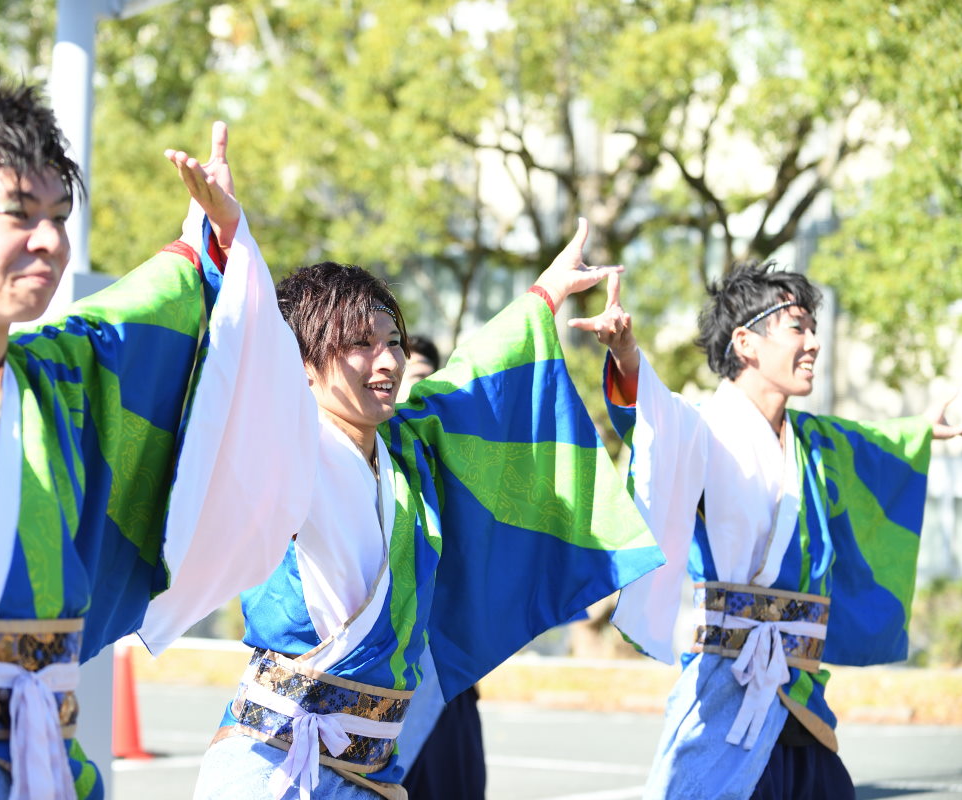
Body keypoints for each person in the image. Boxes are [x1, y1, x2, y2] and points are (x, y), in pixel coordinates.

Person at [0, 79, 315, 800]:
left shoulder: (59, 378)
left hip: (43, 767)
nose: (49, 240)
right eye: (20, 214)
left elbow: (148, 310)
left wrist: (216, 243)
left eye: (60, 216)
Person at [190, 216, 667, 800]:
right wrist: (227, 241)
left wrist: (544, 296)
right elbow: (238, 362)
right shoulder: (288, 442)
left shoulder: (406, 449)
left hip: (369, 771)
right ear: (303, 366)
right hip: (272, 766)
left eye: (393, 342)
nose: (387, 361)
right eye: (360, 345)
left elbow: (476, 379)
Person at [572, 262, 962, 799]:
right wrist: (625, 355)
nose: (813, 343)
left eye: (814, 329)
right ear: (746, 342)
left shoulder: (813, 440)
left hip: (798, 690)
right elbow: (651, 419)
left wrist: (924, 430)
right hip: (725, 684)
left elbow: (870, 441)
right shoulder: (704, 428)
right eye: (797, 327)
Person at [393, 334, 486, 800]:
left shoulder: (457, 470)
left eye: (425, 381)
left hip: (446, 683)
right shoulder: (353, 460)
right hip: (375, 689)